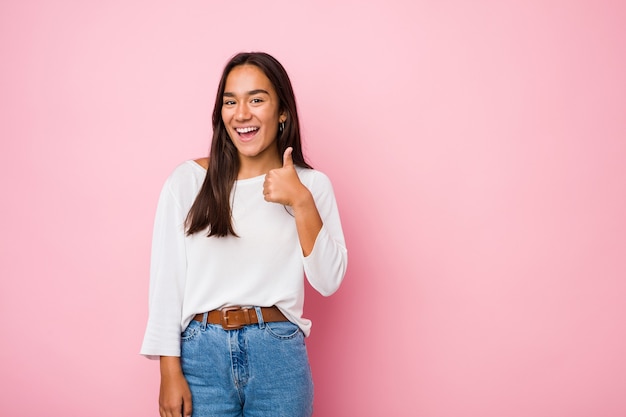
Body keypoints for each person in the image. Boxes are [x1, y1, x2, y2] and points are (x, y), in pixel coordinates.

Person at [140, 51, 348, 417]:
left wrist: (300, 201)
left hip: (278, 356)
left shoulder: (311, 186)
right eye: (230, 101)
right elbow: (166, 283)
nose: (242, 113)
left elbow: (329, 280)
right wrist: (168, 371)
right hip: (199, 356)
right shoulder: (188, 181)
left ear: (282, 111)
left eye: (256, 99)